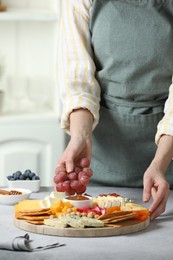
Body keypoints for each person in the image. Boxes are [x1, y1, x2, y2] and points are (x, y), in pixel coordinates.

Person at [56, 0, 173, 220]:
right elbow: (78, 81)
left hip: (168, 156)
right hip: (101, 155)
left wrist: (160, 163)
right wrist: (80, 136)